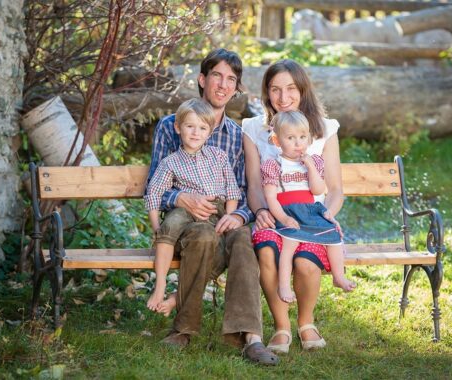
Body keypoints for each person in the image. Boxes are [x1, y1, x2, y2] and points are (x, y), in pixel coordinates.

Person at [146, 48, 278, 365]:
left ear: (236, 88)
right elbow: (154, 184)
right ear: (202, 80)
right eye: (216, 76)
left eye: (230, 79)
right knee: (204, 237)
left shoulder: (236, 135)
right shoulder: (170, 126)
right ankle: (184, 328)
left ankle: (249, 336)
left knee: (245, 240)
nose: (222, 85)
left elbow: (246, 190)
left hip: (226, 215)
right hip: (187, 222)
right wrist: (179, 198)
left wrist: (238, 215)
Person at [243, 59, 353, 353]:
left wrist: (326, 215)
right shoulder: (254, 128)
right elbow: (255, 186)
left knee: (305, 260)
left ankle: (306, 323)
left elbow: (335, 189)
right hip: (274, 214)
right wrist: (262, 212)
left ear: (303, 90)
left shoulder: (325, 130)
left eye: (291, 88)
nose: (283, 97)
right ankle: (281, 327)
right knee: (267, 248)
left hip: (313, 215)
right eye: (275, 89)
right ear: (267, 93)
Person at [144, 98, 241, 316]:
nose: (196, 133)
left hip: (216, 211)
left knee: (217, 252)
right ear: (178, 128)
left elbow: (233, 192)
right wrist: (156, 226)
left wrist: (229, 217)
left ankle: (176, 298)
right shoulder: (170, 162)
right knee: (170, 225)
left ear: (210, 131)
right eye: (190, 126)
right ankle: (159, 287)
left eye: (202, 128)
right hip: (186, 209)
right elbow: (154, 193)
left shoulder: (219, 157)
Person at [261, 111, 356, 304]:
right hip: (288, 211)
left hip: (310, 209)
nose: (298, 143)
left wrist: (311, 168)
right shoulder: (274, 165)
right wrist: (284, 218)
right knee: (289, 244)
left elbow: (318, 189)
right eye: (291, 138)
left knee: (333, 237)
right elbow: (271, 198)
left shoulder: (313, 161)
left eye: (303, 137)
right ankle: (284, 285)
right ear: (277, 141)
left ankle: (338, 276)